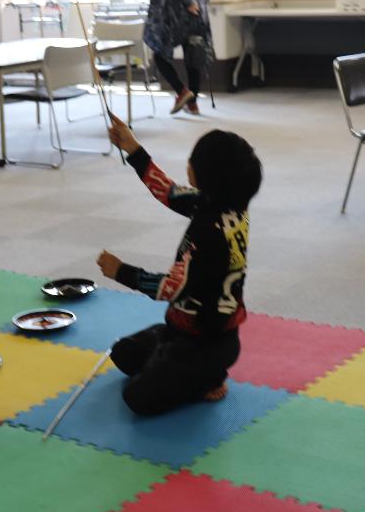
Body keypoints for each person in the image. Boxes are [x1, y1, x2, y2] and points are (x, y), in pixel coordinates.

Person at [96, 115, 261, 415]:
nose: (187, 165)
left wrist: (120, 271)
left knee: (136, 398)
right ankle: (173, 360)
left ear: (209, 177)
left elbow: (172, 287)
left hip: (208, 343)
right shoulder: (225, 204)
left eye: (192, 161)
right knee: (123, 354)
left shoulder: (210, 233)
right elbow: (168, 191)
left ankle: (207, 377)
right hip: (186, 330)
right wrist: (132, 148)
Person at [144, 0, 215, 116]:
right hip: (197, 18)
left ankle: (182, 92)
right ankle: (193, 104)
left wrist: (188, 1)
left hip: (176, 20)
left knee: (159, 55)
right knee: (193, 57)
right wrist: (201, 3)